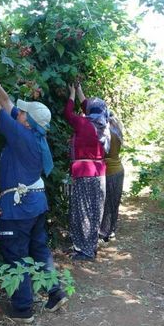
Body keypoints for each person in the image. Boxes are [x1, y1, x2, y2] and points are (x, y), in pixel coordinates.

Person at [0, 81, 68, 323]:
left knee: (16, 255)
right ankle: (54, 292)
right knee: (39, 249)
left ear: (27, 121)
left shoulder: (21, 134)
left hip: (18, 208)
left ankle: (23, 309)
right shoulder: (34, 134)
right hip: (36, 205)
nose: (18, 112)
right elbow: (8, 103)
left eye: (22, 112)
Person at [63, 83, 109, 261]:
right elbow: (89, 107)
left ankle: (85, 250)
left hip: (84, 173)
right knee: (95, 210)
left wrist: (72, 94)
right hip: (99, 173)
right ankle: (91, 246)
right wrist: (80, 90)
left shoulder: (83, 123)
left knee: (82, 211)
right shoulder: (103, 124)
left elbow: (68, 114)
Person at [99, 110, 125, 242]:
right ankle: (111, 229)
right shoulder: (118, 132)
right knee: (114, 201)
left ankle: (104, 231)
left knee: (105, 202)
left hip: (108, 171)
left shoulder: (105, 134)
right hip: (118, 169)